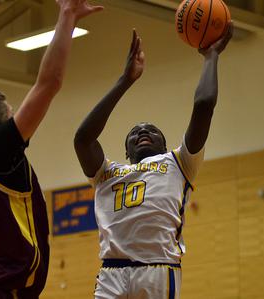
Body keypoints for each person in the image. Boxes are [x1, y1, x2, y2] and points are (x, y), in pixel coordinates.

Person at [0, 1, 103, 298]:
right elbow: (49, 83)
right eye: (12, 114)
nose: (19, 117)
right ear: (2, 124)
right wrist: (67, 16)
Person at [74, 24, 233, 299]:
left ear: (164, 142)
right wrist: (125, 80)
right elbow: (82, 139)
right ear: (126, 151)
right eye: (135, 132)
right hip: (112, 272)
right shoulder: (106, 173)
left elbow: (204, 103)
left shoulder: (179, 163)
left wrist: (211, 57)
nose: (143, 132)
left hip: (158, 270)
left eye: (151, 131)